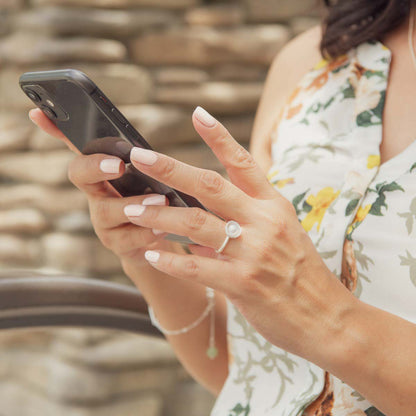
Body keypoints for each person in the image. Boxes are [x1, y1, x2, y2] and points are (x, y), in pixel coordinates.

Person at [29, 0, 416, 414]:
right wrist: (145, 251)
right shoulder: (312, 59)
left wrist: (329, 317)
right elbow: (242, 370)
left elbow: (313, 316)